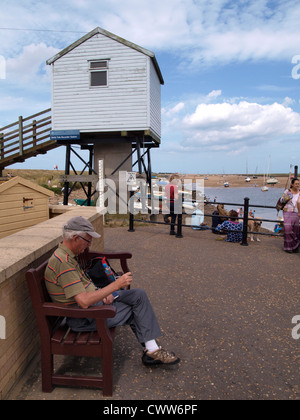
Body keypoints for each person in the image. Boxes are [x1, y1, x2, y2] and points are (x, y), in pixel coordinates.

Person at [45, 216, 180, 366]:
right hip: (83, 317)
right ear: (75, 238)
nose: (89, 244)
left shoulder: (68, 256)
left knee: (138, 295)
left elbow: (84, 288)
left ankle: (151, 350)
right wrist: (115, 285)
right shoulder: (63, 263)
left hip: (95, 302)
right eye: (88, 240)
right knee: (136, 309)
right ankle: (152, 350)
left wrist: (103, 292)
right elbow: (83, 302)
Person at [280, 178, 300, 253]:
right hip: (287, 212)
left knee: (296, 230)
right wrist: (288, 197)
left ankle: (295, 246)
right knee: (288, 229)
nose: (298, 185)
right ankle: (288, 247)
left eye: (298, 184)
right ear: (292, 184)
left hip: (297, 213)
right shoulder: (287, 191)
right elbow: (282, 200)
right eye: (296, 184)